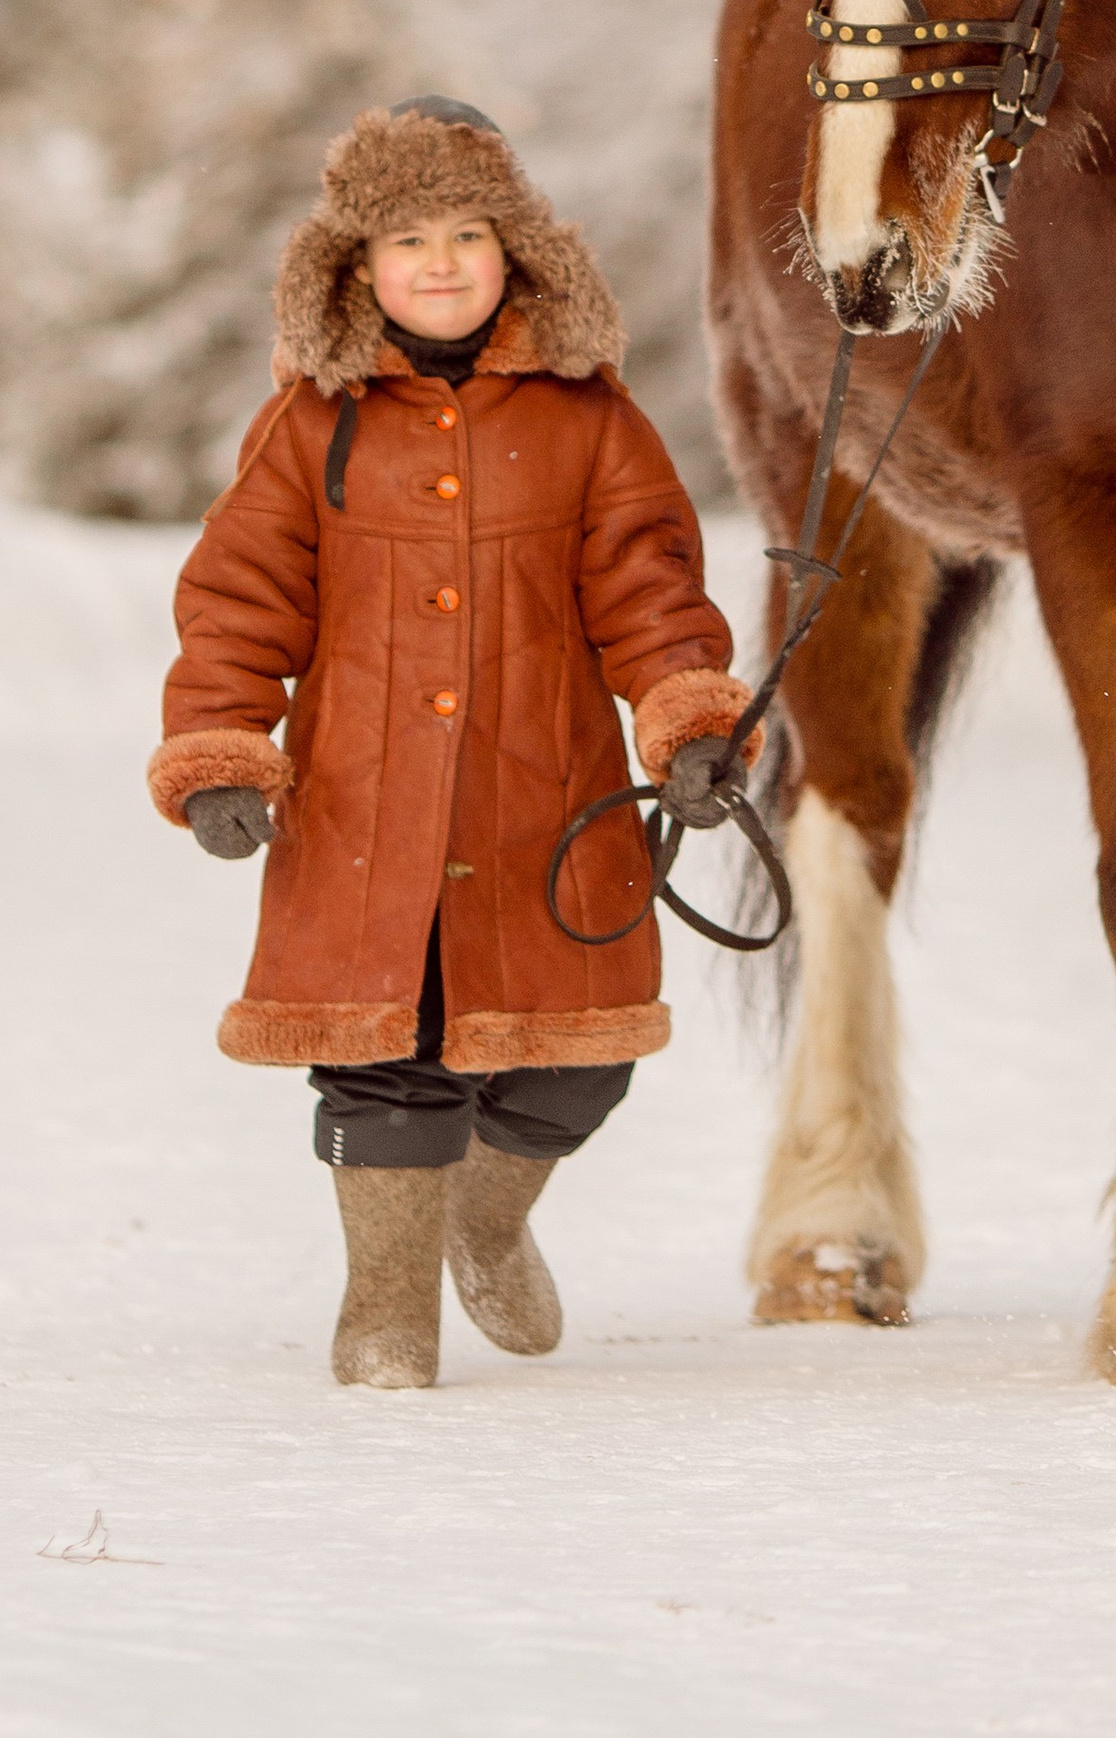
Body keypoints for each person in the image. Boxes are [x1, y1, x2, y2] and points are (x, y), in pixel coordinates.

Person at [148, 97, 751, 1390]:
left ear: (518, 251)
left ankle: (488, 1219)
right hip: (365, 805)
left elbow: (650, 591)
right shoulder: (311, 424)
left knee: (571, 1068)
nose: (438, 262)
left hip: (546, 800)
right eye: (406, 236)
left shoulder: (591, 421)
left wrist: (690, 718)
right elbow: (240, 601)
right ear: (355, 266)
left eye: (468, 232)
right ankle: (384, 1306)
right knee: (382, 1059)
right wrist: (218, 753)